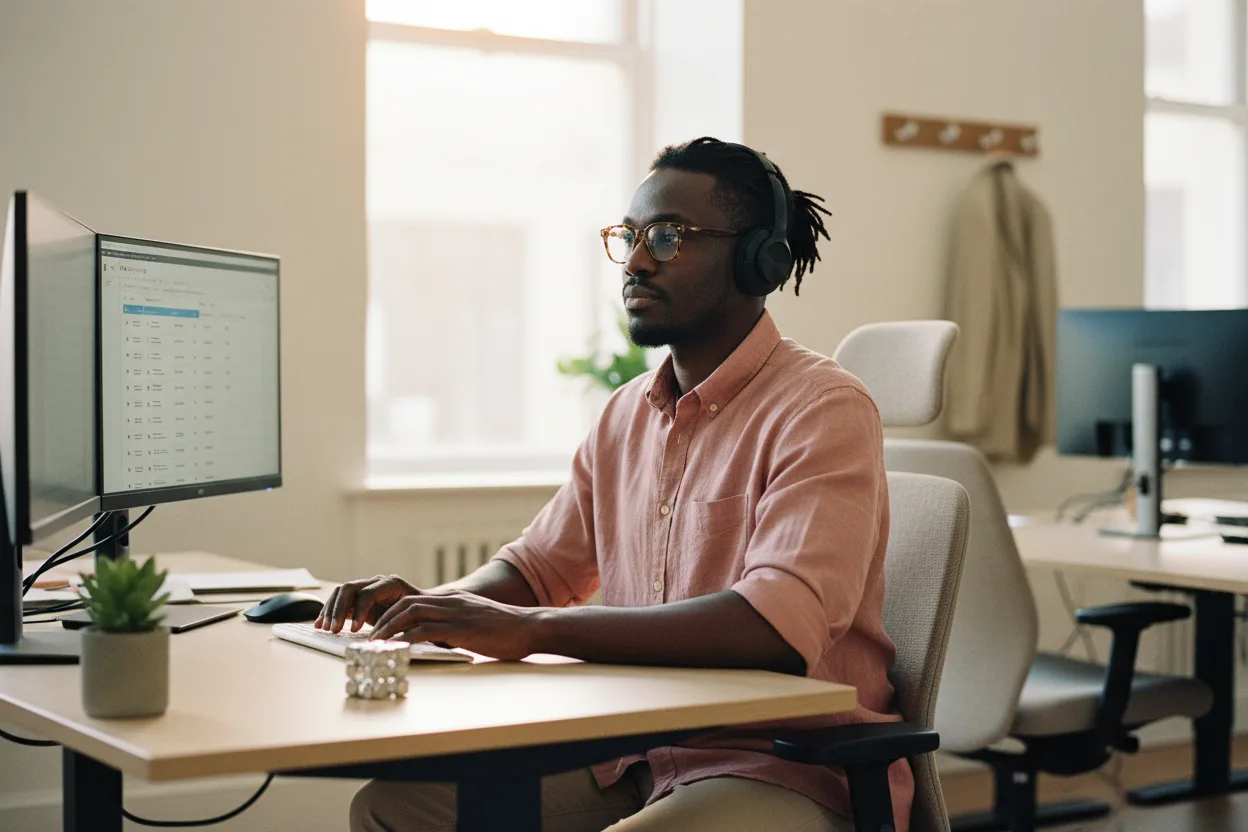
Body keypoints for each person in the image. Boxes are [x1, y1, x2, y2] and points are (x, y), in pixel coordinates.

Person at [324, 137, 911, 832]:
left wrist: (531, 631)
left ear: (759, 260)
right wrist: (427, 611)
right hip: (635, 757)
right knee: (395, 810)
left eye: (667, 237)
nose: (635, 260)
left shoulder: (822, 408)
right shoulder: (626, 413)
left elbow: (776, 626)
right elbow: (537, 568)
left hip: (782, 765)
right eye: (630, 236)